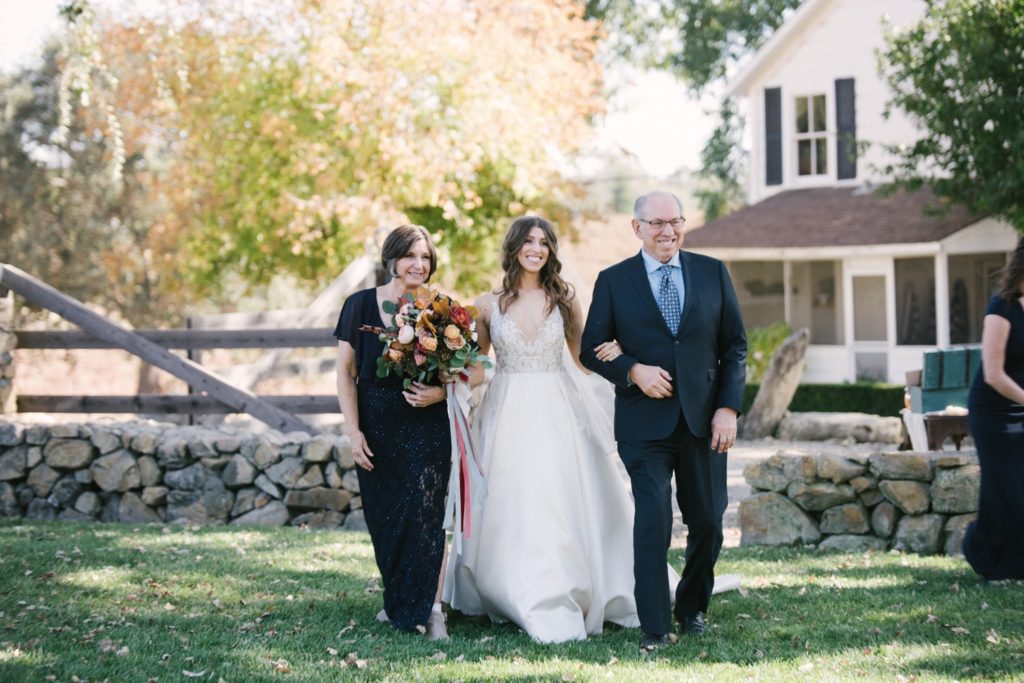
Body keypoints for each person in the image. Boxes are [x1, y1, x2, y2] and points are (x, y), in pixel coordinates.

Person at [444, 216, 645, 643]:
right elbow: (480, 364)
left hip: (557, 410)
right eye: (528, 241)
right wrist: (452, 376)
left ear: (551, 250)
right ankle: (509, 587)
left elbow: (582, 358)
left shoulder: (566, 300)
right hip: (507, 411)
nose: (536, 248)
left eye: (544, 242)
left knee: (558, 497)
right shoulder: (487, 303)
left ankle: (565, 587)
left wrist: (620, 356)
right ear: (514, 247)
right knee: (512, 498)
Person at [580, 191, 746, 651]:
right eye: (656, 223)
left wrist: (727, 408)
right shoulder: (613, 281)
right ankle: (655, 625)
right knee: (652, 521)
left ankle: (691, 606)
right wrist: (633, 370)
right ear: (636, 228)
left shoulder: (713, 272)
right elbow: (591, 346)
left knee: (710, 522)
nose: (667, 231)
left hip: (704, 422)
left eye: (674, 221)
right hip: (643, 426)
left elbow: (734, 346)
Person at [334, 224, 452, 639]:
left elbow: (465, 373)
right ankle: (400, 601)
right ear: (392, 258)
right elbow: (345, 374)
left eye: (425, 257)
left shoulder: (442, 310)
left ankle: (433, 610)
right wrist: (353, 432)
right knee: (386, 520)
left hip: (426, 423)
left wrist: (437, 394)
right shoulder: (360, 305)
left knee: (427, 517)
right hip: (376, 422)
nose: (419, 264)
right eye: (410, 256)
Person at [962, 235, 1024, 580]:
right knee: (1006, 486)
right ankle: (982, 552)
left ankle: (1002, 560)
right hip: (992, 414)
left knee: (1016, 487)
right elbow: (993, 373)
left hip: (1019, 410)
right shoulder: (1001, 307)